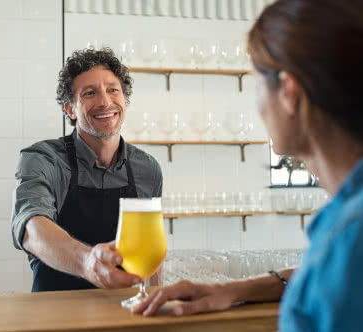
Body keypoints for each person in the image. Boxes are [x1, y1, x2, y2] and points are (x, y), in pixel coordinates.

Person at [134, 0, 363, 330]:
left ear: (288, 91)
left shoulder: (348, 239)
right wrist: (232, 290)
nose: (256, 108)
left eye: (255, 82)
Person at [11, 48, 163, 292]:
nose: (105, 101)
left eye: (113, 90)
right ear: (70, 109)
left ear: (124, 99)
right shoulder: (44, 159)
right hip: (55, 316)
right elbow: (31, 227)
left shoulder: (147, 169)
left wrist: (156, 301)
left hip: (124, 314)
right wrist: (88, 263)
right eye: (90, 93)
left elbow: (150, 249)